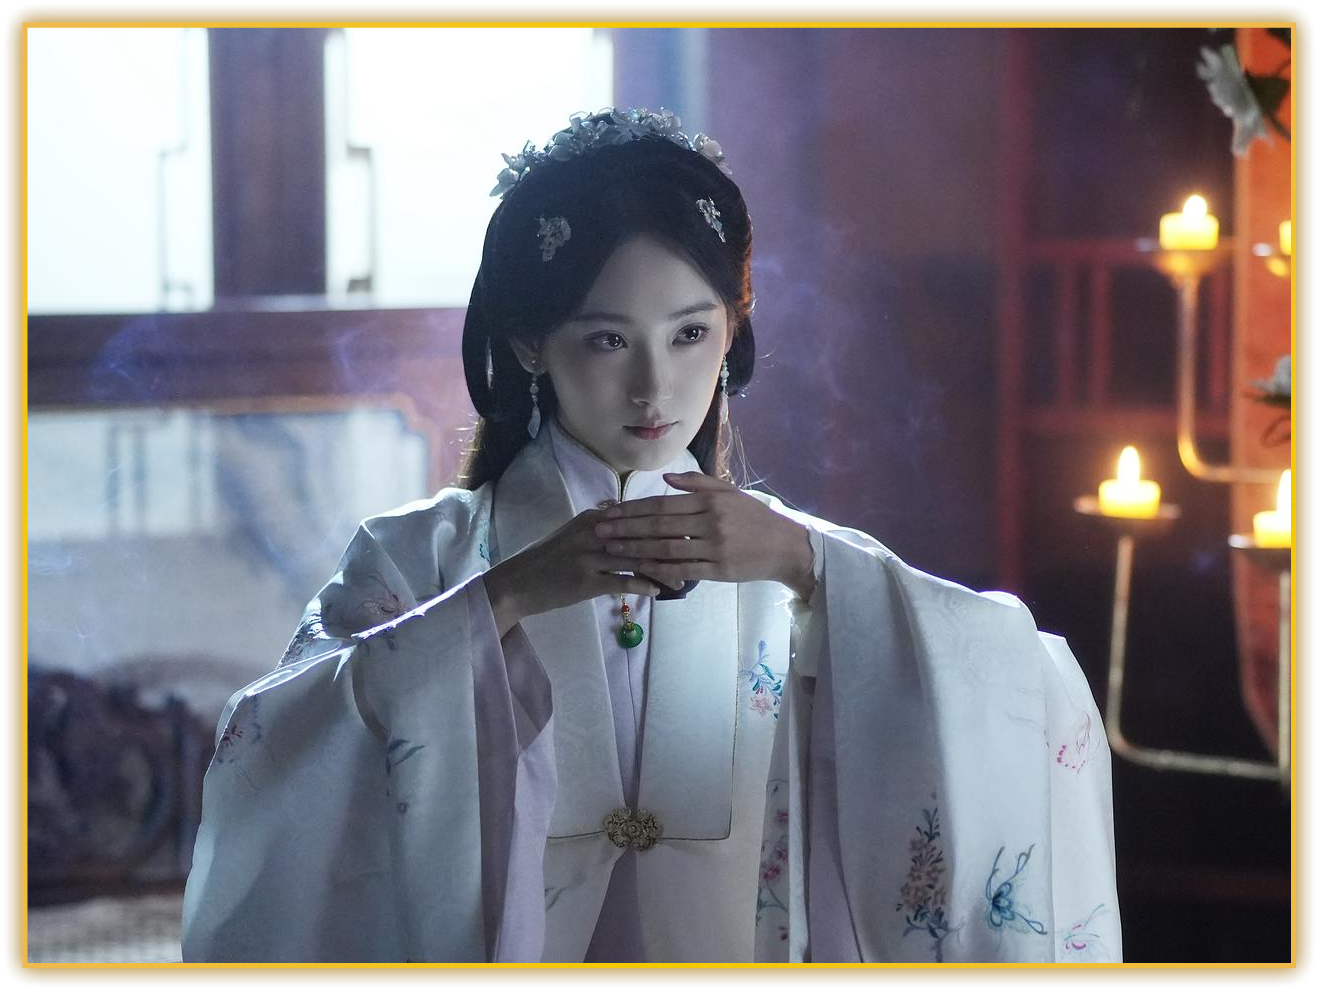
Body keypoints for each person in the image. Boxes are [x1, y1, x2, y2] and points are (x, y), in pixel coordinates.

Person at [181, 107, 1121, 964]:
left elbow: (1026, 692)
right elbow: (277, 745)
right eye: (606, 339)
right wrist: (506, 595)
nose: (654, 387)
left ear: (732, 330)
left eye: (688, 334)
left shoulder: (797, 564)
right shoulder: (417, 558)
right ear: (528, 343)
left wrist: (805, 566)